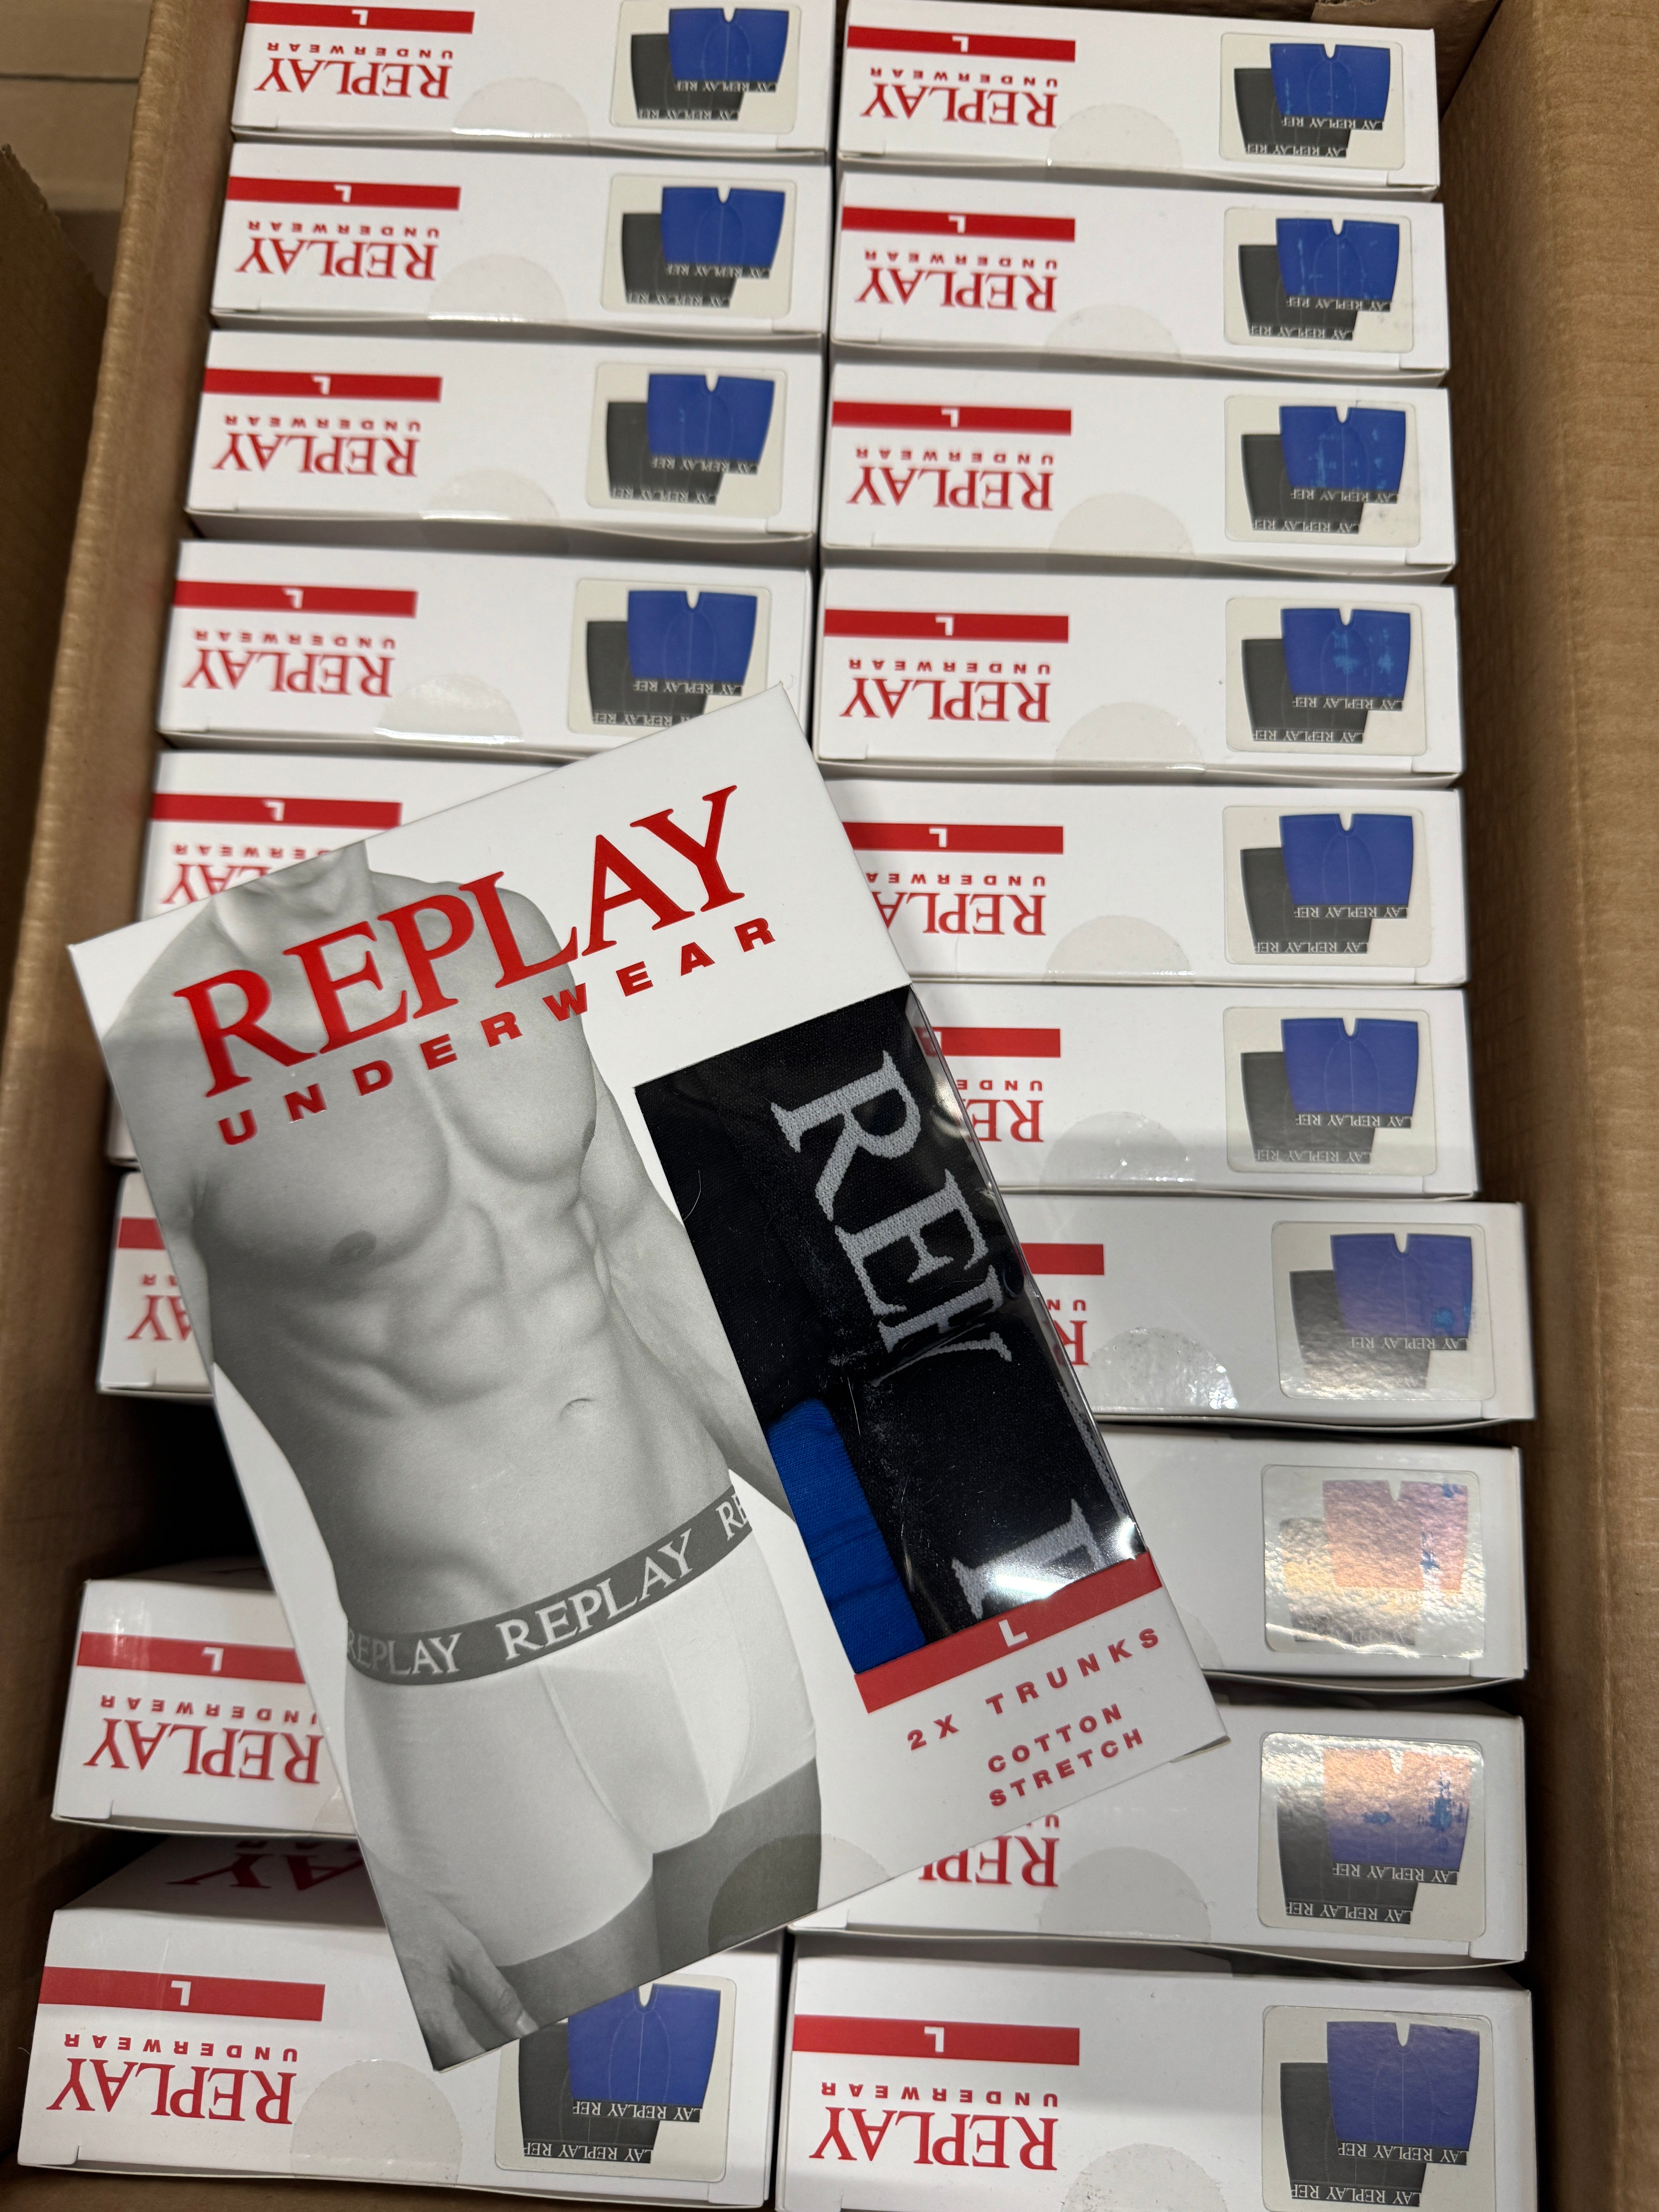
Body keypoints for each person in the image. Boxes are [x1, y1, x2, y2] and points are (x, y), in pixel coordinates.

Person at [101, 839, 820, 2066]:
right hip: (481, 1701)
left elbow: (631, 1239)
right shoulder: (159, 1058)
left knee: (750, 2076)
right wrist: (360, 1845)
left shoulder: (505, 931)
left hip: (715, 1595)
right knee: (600, 2123)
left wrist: (867, 1539)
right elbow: (161, 1463)